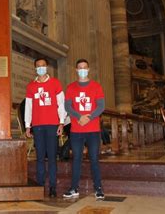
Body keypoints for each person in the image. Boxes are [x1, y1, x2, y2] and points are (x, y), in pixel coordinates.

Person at [63, 59, 106, 200]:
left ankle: (98, 188)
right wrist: (79, 116)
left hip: (93, 129)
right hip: (76, 130)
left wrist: (89, 117)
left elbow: (101, 106)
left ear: (88, 69)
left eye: (84, 68)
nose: (82, 70)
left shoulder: (96, 87)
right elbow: (68, 107)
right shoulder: (70, 88)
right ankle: (74, 188)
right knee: (76, 159)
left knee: (94, 158)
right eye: (79, 68)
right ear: (76, 70)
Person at [25, 57, 66, 198]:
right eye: (38, 66)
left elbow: (62, 104)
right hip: (37, 125)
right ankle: (40, 185)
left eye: (43, 65)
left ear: (47, 67)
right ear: (35, 68)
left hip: (52, 124)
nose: (40, 68)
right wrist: (27, 125)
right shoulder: (31, 86)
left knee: (53, 158)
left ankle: (53, 187)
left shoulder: (55, 83)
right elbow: (28, 107)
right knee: (40, 157)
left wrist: (61, 122)